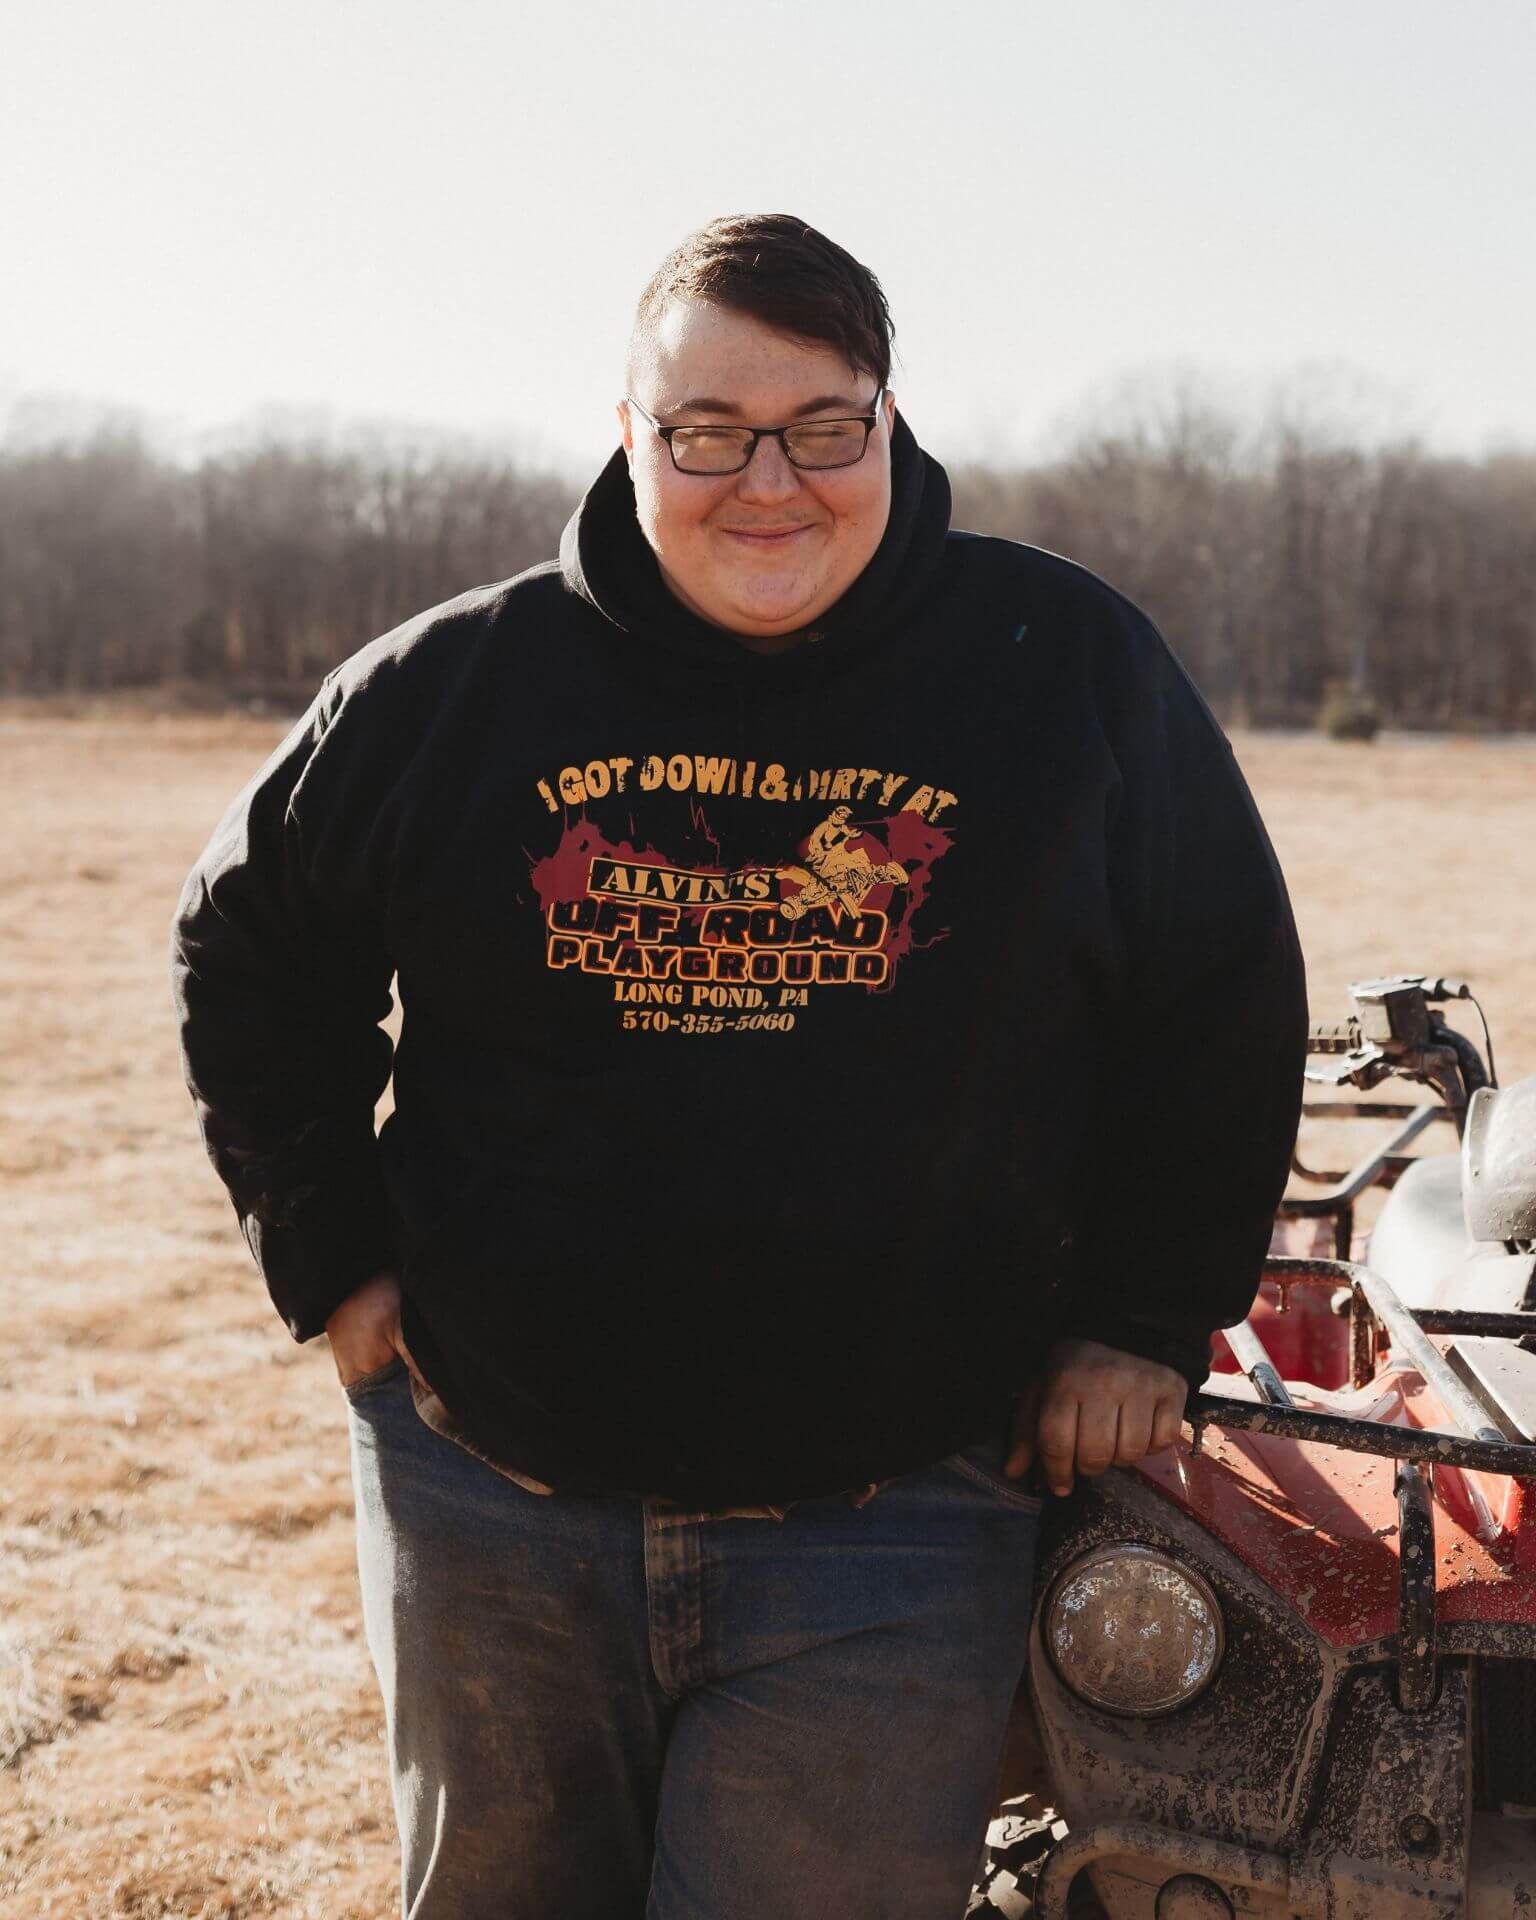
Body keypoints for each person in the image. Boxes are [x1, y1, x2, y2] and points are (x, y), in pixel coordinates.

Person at [170, 214, 1307, 1918]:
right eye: (706, 430)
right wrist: (330, 1256)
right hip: (495, 1500)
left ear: (888, 419)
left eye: (821, 425)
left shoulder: (1062, 669)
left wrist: (1143, 1314)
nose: (767, 480)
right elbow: (248, 948)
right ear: (630, 434)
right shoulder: (459, 686)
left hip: (899, 1510)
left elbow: (1217, 997)